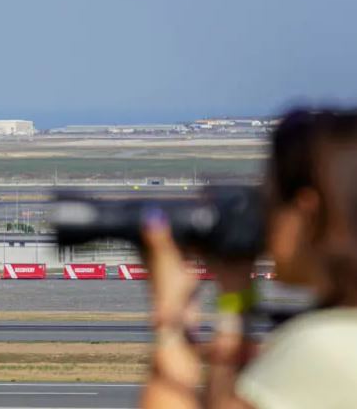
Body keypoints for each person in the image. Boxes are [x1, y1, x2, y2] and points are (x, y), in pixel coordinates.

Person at [142, 109, 357, 408]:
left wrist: (172, 322)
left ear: (307, 214)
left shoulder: (325, 347)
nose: (265, 221)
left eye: (270, 203)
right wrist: (235, 297)